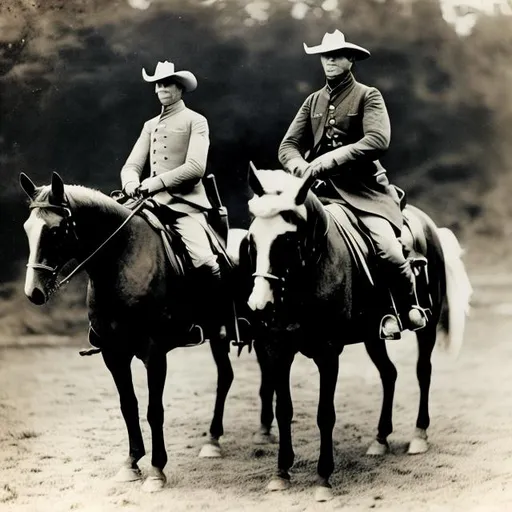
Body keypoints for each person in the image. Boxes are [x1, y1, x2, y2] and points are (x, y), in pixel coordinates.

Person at [278, 30, 427, 337]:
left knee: (388, 249)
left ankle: (403, 307)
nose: (329, 61)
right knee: (281, 239)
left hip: (365, 192)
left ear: (351, 60)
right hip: (320, 194)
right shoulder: (312, 102)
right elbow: (288, 146)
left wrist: (330, 160)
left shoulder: (368, 95)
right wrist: (300, 167)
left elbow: (377, 140)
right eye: (325, 56)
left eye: (336, 55)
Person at [120, 60, 226, 338]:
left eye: (167, 83)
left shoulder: (196, 120)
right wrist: (131, 183)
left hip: (184, 206)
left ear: (180, 88)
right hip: (149, 205)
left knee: (204, 260)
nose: (161, 88)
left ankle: (212, 322)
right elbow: (130, 165)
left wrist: (155, 182)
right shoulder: (149, 125)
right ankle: (110, 325)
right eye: (158, 84)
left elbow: (195, 168)